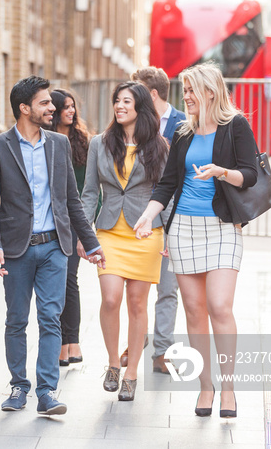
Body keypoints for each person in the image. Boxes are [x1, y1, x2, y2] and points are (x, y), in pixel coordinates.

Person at [134, 63, 258, 417]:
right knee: (194, 311)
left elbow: (249, 174)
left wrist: (223, 172)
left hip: (221, 228)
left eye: (191, 90)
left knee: (219, 306)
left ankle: (229, 389)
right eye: (184, 90)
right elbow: (168, 182)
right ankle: (206, 386)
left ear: (210, 91)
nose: (185, 96)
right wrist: (148, 216)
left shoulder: (235, 126)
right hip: (184, 228)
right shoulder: (184, 133)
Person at [0, 76, 105, 415]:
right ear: (25, 108)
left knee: (51, 318)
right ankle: (19, 387)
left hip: (54, 247)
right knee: (17, 319)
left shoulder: (58, 145)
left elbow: (70, 200)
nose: (54, 108)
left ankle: (47, 391)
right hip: (17, 249)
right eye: (45, 103)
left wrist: (90, 243)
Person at [78, 81, 169, 401]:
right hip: (108, 233)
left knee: (136, 303)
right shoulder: (99, 144)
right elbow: (89, 193)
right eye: (117, 100)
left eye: (126, 101)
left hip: (146, 234)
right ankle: (114, 364)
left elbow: (165, 194)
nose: (119, 106)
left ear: (140, 107)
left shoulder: (160, 146)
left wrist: (168, 233)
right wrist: (84, 233)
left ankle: (132, 375)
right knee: (112, 298)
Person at [117, 67, 185, 374]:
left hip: (175, 212)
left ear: (152, 94)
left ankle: (162, 351)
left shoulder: (184, 124)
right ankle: (136, 342)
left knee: (168, 286)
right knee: (136, 288)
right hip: (138, 212)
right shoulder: (131, 125)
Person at [48, 89, 91, 367]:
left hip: (73, 220)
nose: (70, 111)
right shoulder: (44, 140)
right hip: (48, 220)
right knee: (56, 282)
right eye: (65, 107)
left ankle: (71, 342)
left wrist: (87, 224)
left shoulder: (83, 142)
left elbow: (90, 187)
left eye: (73, 106)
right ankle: (62, 343)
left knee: (68, 279)